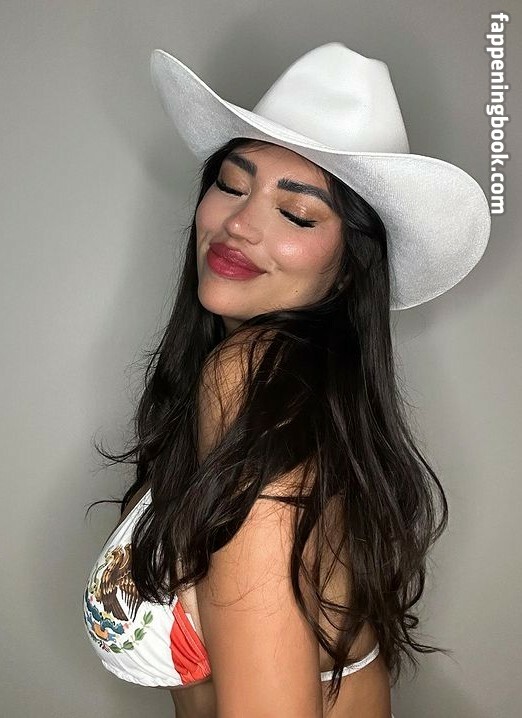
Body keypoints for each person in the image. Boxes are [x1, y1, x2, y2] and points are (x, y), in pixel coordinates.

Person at [83, 43, 491, 718]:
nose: (240, 224)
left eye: (297, 214)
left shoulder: (249, 377)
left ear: (351, 267)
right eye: (231, 184)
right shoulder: (296, 395)